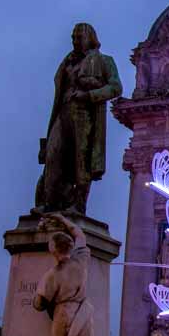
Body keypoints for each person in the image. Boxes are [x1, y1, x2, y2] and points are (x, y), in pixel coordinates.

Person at [34, 23, 121, 215]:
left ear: (90, 38)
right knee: (53, 155)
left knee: (82, 159)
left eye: (79, 37)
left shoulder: (105, 61)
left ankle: (79, 204)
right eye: (73, 38)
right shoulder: (68, 62)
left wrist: (90, 95)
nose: (75, 41)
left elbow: (116, 88)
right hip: (63, 112)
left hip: (85, 115)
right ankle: (51, 201)